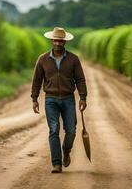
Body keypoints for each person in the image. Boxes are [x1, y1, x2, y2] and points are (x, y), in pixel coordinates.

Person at [30, 27, 88, 173]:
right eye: (55, 40)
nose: (57, 42)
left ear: (64, 41)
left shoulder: (73, 59)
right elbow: (37, 80)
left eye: (60, 40)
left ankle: (66, 150)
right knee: (54, 130)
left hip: (68, 99)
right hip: (51, 100)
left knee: (71, 131)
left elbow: (80, 79)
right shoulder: (42, 59)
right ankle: (56, 163)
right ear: (51, 40)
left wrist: (83, 97)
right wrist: (34, 98)